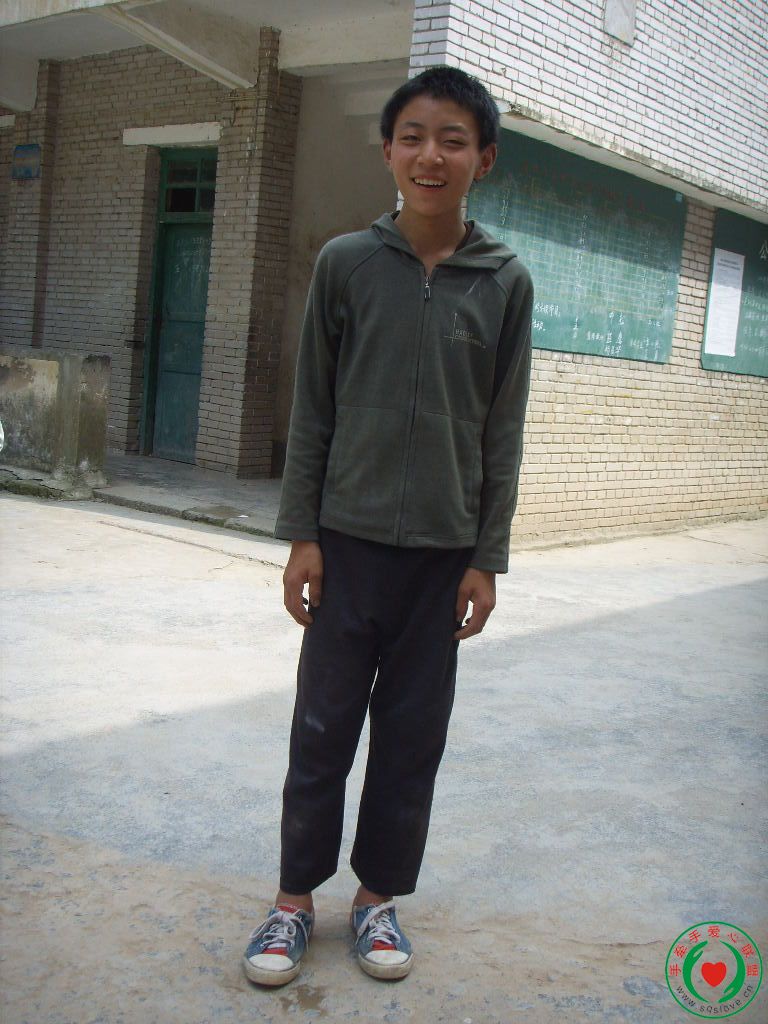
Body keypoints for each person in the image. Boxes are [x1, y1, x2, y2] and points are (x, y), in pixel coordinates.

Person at [242, 64, 533, 987]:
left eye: (453, 140)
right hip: (348, 547)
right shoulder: (346, 264)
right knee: (321, 731)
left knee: (411, 740)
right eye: (413, 137)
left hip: (442, 560)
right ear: (388, 152)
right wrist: (303, 535)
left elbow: (503, 429)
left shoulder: (505, 281)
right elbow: (314, 409)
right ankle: (293, 903)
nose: (430, 155)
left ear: (484, 159)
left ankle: (376, 900)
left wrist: (487, 556)